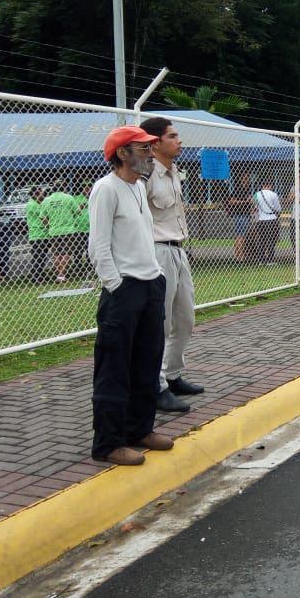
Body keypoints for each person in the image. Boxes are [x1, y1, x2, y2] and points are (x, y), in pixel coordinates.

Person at [87, 126, 172, 466]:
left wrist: (157, 276)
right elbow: (99, 245)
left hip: (150, 284)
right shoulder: (105, 189)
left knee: (147, 362)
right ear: (122, 154)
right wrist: (115, 284)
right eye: (143, 149)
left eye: (151, 148)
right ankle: (109, 443)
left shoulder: (138, 188)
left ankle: (140, 429)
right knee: (115, 367)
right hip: (124, 290)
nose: (151, 154)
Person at [140, 116, 204, 415]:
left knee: (185, 318)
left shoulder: (174, 171)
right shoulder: (146, 175)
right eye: (172, 136)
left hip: (178, 249)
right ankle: (155, 385)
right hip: (158, 252)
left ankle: (173, 374)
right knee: (160, 323)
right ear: (155, 143)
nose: (179, 141)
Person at [40, 186, 82, 282]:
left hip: (54, 231)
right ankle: (61, 274)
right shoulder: (69, 197)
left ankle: (60, 275)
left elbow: (42, 217)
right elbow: (78, 212)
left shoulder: (46, 200)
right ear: (63, 189)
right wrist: (71, 215)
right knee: (67, 253)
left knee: (57, 254)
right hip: (68, 230)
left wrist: (48, 225)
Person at [253, 181, 282, 264]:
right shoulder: (273, 194)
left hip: (261, 219)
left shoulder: (256, 194)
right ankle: (270, 260)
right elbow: (278, 208)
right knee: (271, 240)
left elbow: (255, 207)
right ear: (270, 185)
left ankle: (261, 259)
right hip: (272, 219)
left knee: (261, 240)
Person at [26, 186, 49, 282]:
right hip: (37, 233)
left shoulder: (38, 203)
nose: (43, 194)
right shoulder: (32, 205)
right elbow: (43, 215)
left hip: (43, 233)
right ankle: (36, 276)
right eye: (41, 193)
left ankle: (38, 274)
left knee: (42, 256)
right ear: (35, 194)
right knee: (38, 256)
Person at [226, 179, 253, 261]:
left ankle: (237, 255)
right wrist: (245, 201)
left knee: (238, 235)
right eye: (246, 179)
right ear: (242, 180)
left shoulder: (247, 190)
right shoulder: (238, 189)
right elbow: (231, 201)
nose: (248, 181)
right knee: (241, 236)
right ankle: (241, 256)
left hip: (244, 215)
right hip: (241, 215)